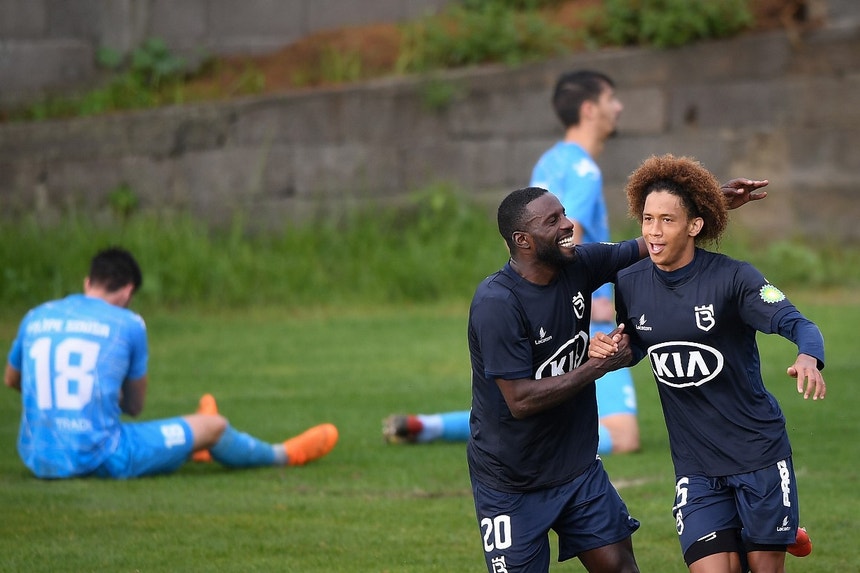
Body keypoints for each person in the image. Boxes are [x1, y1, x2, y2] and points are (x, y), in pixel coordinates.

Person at [467, 179, 767, 572]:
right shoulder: (497, 304)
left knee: (621, 568)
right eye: (552, 220)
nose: (568, 225)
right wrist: (597, 367)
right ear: (523, 240)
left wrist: (708, 205)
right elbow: (520, 400)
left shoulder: (577, 265)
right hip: (510, 483)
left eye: (564, 214)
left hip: (577, 470)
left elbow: (644, 245)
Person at [588, 154, 824, 572]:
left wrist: (808, 356)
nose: (654, 232)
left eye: (667, 220)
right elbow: (643, 345)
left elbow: (797, 323)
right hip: (695, 468)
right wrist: (611, 350)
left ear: (694, 226)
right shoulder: (629, 282)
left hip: (759, 458)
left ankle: (779, 530)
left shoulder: (735, 279)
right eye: (646, 219)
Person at [384, 69, 638, 455]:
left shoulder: (548, 163)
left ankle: (432, 425)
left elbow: (535, 235)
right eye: (611, 100)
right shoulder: (585, 171)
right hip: (586, 311)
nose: (618, 108)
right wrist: (590, 303)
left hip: (540, 303)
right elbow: (572, 239)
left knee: (522, 394)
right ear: (589, 110)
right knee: (622, 436)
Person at [4, 247, 339, 479]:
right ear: (127, 292)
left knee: (196, 428)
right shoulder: (128, 323)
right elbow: (135, 406)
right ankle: (283, 454)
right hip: (99, 458)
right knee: (216, 426)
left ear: (88, 282)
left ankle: (197, 444)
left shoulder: (36, 316)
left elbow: (13, 380)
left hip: (37, 457)